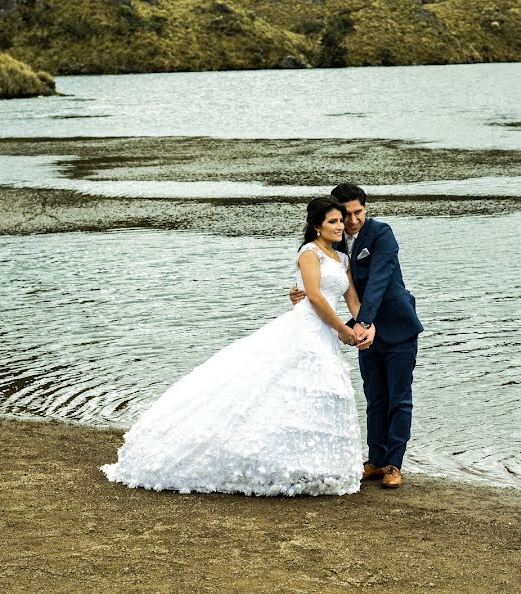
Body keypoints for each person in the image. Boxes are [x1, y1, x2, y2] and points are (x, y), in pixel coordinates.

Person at [102, 197, 373, 496]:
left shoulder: (342, 259)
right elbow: (315, 297)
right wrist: (342, 329)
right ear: (316, 226)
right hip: (306, 329)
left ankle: (312, 466)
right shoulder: (309, 253)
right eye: (332, 221)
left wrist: (363, 327)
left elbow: (354, 302)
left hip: (324, 332)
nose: (339, 226)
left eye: (340, 221)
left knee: (322, 393)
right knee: (284, 388)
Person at [291, 184, 423, 489]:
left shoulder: (382, 234)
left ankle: (394, 463)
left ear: (366, 208)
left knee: (399, 399)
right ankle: (375, 460)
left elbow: (378, 279)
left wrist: (364, 321)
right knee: (374, 396)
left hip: (396, 327)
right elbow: (327, 282)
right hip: (364, 332)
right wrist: (301, 292)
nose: (351, 221)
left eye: (357, 213)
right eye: (344, 215)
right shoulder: (333, 243)